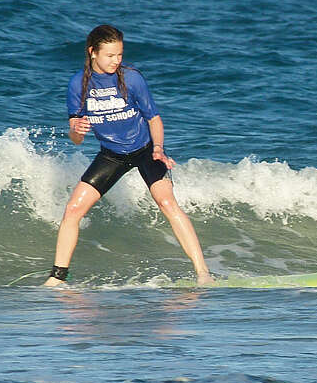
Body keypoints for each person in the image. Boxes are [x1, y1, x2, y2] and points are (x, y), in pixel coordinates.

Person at [43, 25, 212, 286]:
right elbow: (76, 138)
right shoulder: (78, 84)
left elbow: (154, 118)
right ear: (92, 52)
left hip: (146, 149)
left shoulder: (132, 79)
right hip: (111, 154)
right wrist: (75, 130)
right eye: (110, 55)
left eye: (119, 55)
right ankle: (58, 278)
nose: (116, 61)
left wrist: (158, 149)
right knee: (73, 209)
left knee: (167, 202)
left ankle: (203, 273)